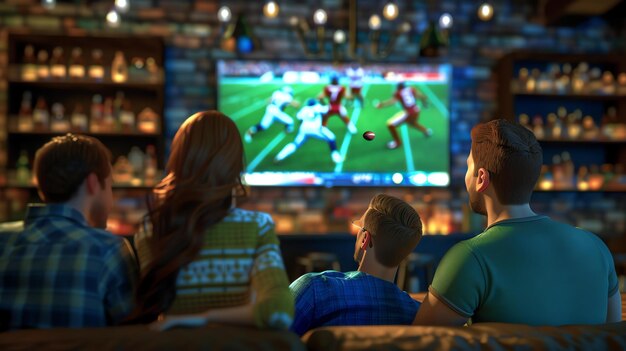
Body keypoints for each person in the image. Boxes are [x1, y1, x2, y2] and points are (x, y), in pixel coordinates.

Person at [413, 119, 621, 326]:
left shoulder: (470, 258)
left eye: (469, 167)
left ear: (481, 178)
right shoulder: (596, 248)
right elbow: (614, 339)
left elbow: (422, 342)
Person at [130, 111, 294, 331]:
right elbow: (278, 313)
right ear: (234, 163)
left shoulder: (150, 229)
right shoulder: (258, 227)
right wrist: (204, 318)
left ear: (177, 159)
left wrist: (185, 319)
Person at [0, 133, 137, 329]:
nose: (111, 199)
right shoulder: (108, 250)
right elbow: (134, 335)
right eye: (110, 185)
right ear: (92, 183)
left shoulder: (3, 240)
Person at [289, 194, 423, 336]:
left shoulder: (315, 288)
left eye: (360, 226)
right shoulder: (416, 313)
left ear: (365, 238)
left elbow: (270, 339)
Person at [274, 98, 343, 164]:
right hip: (316, 129)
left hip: (304, 129)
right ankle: (336, 158)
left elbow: (299, 118)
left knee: (295, 144)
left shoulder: (304, 109)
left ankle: (280, 156)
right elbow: (327, 109)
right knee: (331, 138)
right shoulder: (319, 107)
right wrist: (323, 102)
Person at [376, 81, 432, 150]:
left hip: (409, 112)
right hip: (416, 110)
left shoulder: (398, 92)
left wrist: (381, 104)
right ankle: (426, 131)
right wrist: (425, 104)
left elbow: (392, 101)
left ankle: (397, 142)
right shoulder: (411, 89)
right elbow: (422, 96)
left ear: (398, 87)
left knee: (390, 124)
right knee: (412, 123)